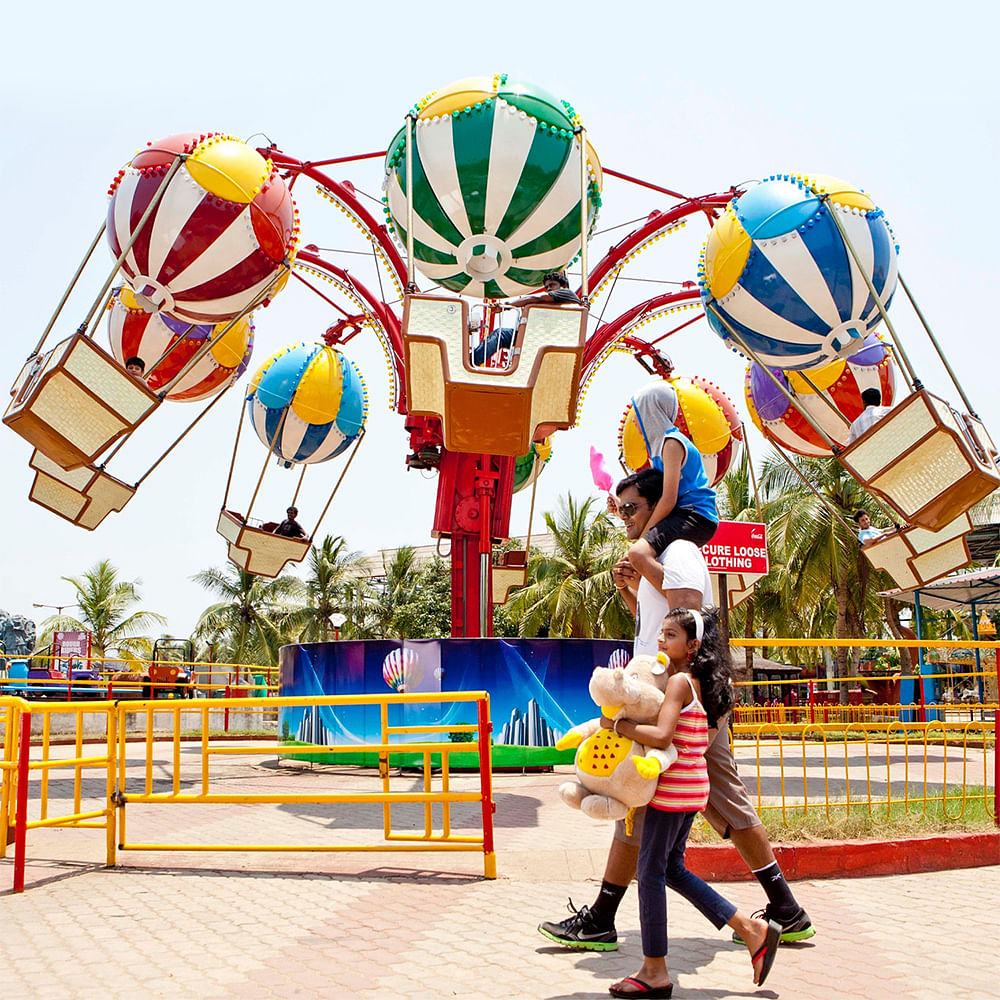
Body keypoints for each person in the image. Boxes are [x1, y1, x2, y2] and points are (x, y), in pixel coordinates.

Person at [538, 469, 813, 951]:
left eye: (631, 508)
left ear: (658, 507)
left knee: (637, 800)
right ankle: (785, 910)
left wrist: (643, 566)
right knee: (716, 803)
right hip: (677, 697)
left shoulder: (680, 550)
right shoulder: (661, 557)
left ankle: (611, 926)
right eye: (617, 508)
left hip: (677, 702)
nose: (623, 518)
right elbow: (659, 632)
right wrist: (631, 591)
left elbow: (688, 618)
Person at [604, 609, 781, 997]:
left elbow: (664, 735)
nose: (661, 640)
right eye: (661, 633)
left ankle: (654, 971)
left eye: (670, 635)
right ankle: (752, 930)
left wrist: (618, 726)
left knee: (649, 875)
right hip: (692, 789)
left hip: (673, 791)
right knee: (671, 870)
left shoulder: (681, 682)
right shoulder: (702, 682)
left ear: (693, 646)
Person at [624, 380, 719, 584]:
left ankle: (681, 599)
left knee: (638, 554)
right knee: (634, 560)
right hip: (681, 514)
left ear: (650, 412)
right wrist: (621, 507)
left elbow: (667, 500)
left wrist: (644, 536)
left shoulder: (672, 443)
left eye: (637, 415)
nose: (633, 422)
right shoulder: (658, 449)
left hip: (696, 515)